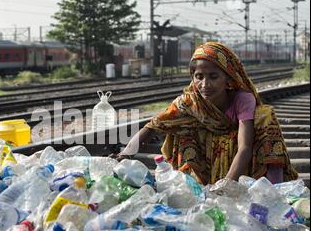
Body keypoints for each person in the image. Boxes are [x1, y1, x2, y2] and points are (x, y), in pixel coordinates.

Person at [114, 42, 298, 185]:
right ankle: (193, 186)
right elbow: (153, 126)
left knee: (265, 117)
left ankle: (274, 187)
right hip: (206, 158)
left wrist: (227, 185)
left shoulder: (242, 99)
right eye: (199, 77)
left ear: (228, 79)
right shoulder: (189, 102)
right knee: (182, 127)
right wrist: (125, 155)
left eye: (213, 77)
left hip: (240, 163)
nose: (205, 84)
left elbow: (244, 148)